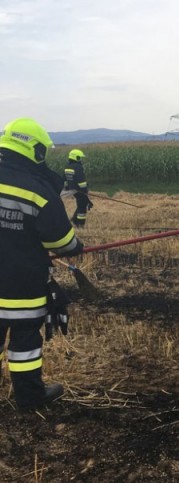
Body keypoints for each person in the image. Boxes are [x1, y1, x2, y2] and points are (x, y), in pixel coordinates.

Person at [0, 118, 84, 411]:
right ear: (35, 150)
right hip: (22, 284)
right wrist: (76, 246)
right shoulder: (37, 189)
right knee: (24, 341)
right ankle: (29, 397)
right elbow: (63, 242)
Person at [63, 148, 92, 227]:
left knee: (81, 204)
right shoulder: (78, 167)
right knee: (82, 207)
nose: (80, 160)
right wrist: (85, 191)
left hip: (73, 190)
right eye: (79, 158)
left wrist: (67, 187)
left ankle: (74, 219)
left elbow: (64, 179)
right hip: (80, 190)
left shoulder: (67, 166)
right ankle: (80, 223)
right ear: (76, 157)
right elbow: (81, 181)